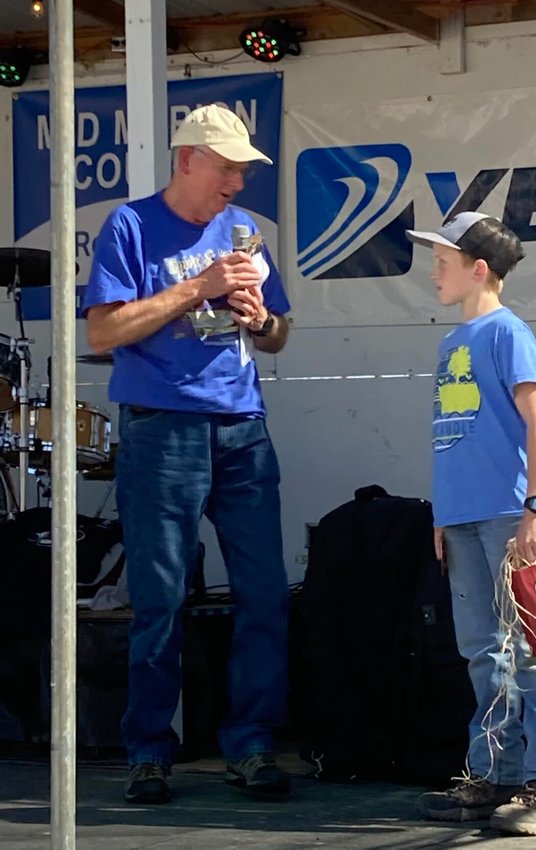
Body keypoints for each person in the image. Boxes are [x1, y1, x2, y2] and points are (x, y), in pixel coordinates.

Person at [82, 104, 291, 804]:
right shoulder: (132, 226)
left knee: (263, 593)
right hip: (163, 427)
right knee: (159, 598)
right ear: (187, 159)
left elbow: (278, 334)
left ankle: (252, 743)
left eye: (242, 170)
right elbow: (106, 330)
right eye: (227, 167)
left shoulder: (245, 234)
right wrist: (194, 290)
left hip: (242, 426)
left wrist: (259, 317)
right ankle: (147, 749)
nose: (236, 182)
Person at [405, 212, 536, 836]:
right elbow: (453, 436)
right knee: (483, 650)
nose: (434, 270)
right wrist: (443, 513)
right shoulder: (452, 343)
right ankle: (498, 774)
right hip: (464, 518)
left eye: (443, 260)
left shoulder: (509, 332)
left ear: (478, 268)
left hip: (514, 515)